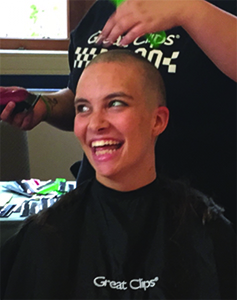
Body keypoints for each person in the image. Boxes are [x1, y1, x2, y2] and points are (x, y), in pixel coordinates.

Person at [1, 50, 235, 300]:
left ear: (157, 120)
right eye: (83, 108)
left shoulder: (206, 233)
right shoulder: (45, 237)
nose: (95, 124)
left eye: (115, 104)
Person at [0, 0, 236, 224]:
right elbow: (83, 99)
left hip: (198, 213)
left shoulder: (219, 8)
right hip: (104, 209)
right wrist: (45, 106)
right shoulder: (100, 13)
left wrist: (187, 9)